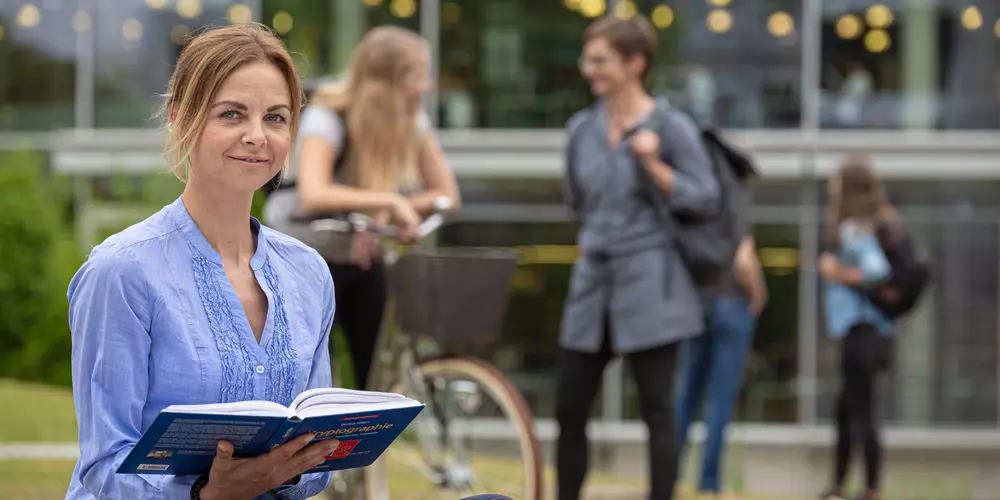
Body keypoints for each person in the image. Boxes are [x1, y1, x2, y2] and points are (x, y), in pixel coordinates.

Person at [66, 24, 339, 499]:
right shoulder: (122, 271)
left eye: (275, 118)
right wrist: (207, 494)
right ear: (179, 117)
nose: (257, 136)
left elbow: (318, 464)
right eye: (232, 114)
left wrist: (288, 469)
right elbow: (104, 466)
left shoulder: (308, 272)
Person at [557, 14, 720, 500]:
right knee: (569, 406)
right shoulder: (581, 130)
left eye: (601, 60)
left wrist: (654, 162)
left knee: (657, 410)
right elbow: (575, 203)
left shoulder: (670, 126)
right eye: (588, 59)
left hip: (652, 283)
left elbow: (705, 196)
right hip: (593, 283)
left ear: (636, 64)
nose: (589, 69)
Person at [263, 26, 460, 391]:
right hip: (304, 252)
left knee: (374, 370)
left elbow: (446, 193)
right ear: (387, 80)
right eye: (418, 74)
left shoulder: (411, 121)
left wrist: (385, 213)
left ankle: (371, 441)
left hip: (359, 253)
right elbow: (314, 194)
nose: (428, 85)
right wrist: (389, 202)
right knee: (301, 369)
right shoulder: (328, 117)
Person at [818, 155, 896, 500]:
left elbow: (877, 271)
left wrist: (837, 273)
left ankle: (870, 488)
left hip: (861, 332)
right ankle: (840, 485)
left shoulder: (853, 229)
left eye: (836, 181)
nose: (831, 188)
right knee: (848, 409)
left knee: (861, 413)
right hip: (877, 334)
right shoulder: (879, 224)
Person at [674, 235, 768, 498]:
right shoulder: (732, 203)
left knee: (687, 397)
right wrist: (758, 295)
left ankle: (668, 476)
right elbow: (744, 261)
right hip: (731, 303)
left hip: (698, 305)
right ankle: (709, 482)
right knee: (720, 401)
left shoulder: (693, 209)